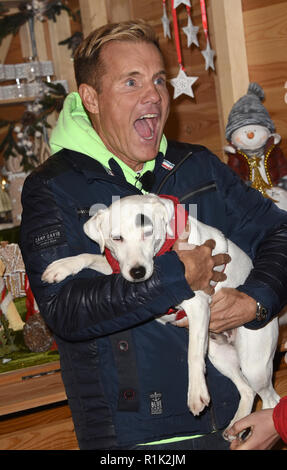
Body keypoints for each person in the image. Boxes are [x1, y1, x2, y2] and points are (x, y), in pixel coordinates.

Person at [20, 20, 287, 450]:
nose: (154, 95)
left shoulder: (197, 167)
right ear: (91, 97)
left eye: (159, 80)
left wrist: (255, 300)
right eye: (132, 81)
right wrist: (174, 276)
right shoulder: (54, 188)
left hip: (239, 429)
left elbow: (280, 233)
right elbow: (66, 310)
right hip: (139, 440)